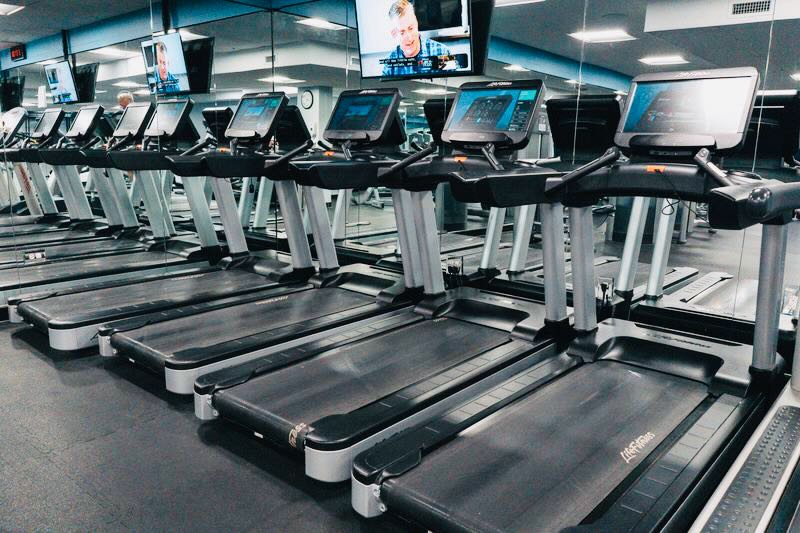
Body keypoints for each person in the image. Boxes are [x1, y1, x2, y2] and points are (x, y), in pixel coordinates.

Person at [381, 0, 451, 77]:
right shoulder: (389, 64)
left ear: (416, 23)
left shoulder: (443, 52)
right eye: (402, 32)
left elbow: (454, 86)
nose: (409, 37)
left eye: (411, 28)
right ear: (394, 34)